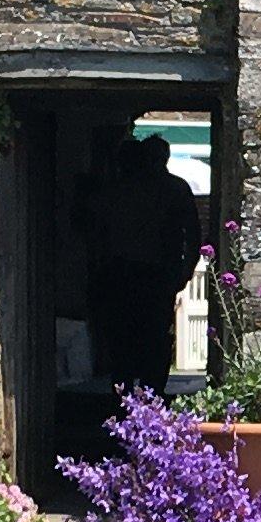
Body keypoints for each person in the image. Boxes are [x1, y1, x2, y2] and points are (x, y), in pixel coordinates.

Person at [89, 132, 207, 390]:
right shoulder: (173, 188)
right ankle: (147, 393)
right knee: (151, 336)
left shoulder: (122, 189)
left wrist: (183, 272)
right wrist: (183, 272)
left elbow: (99, 233)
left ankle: (131, 393)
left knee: (129, 336)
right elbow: (194, 234)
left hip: (136, 272)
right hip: (148, 272)